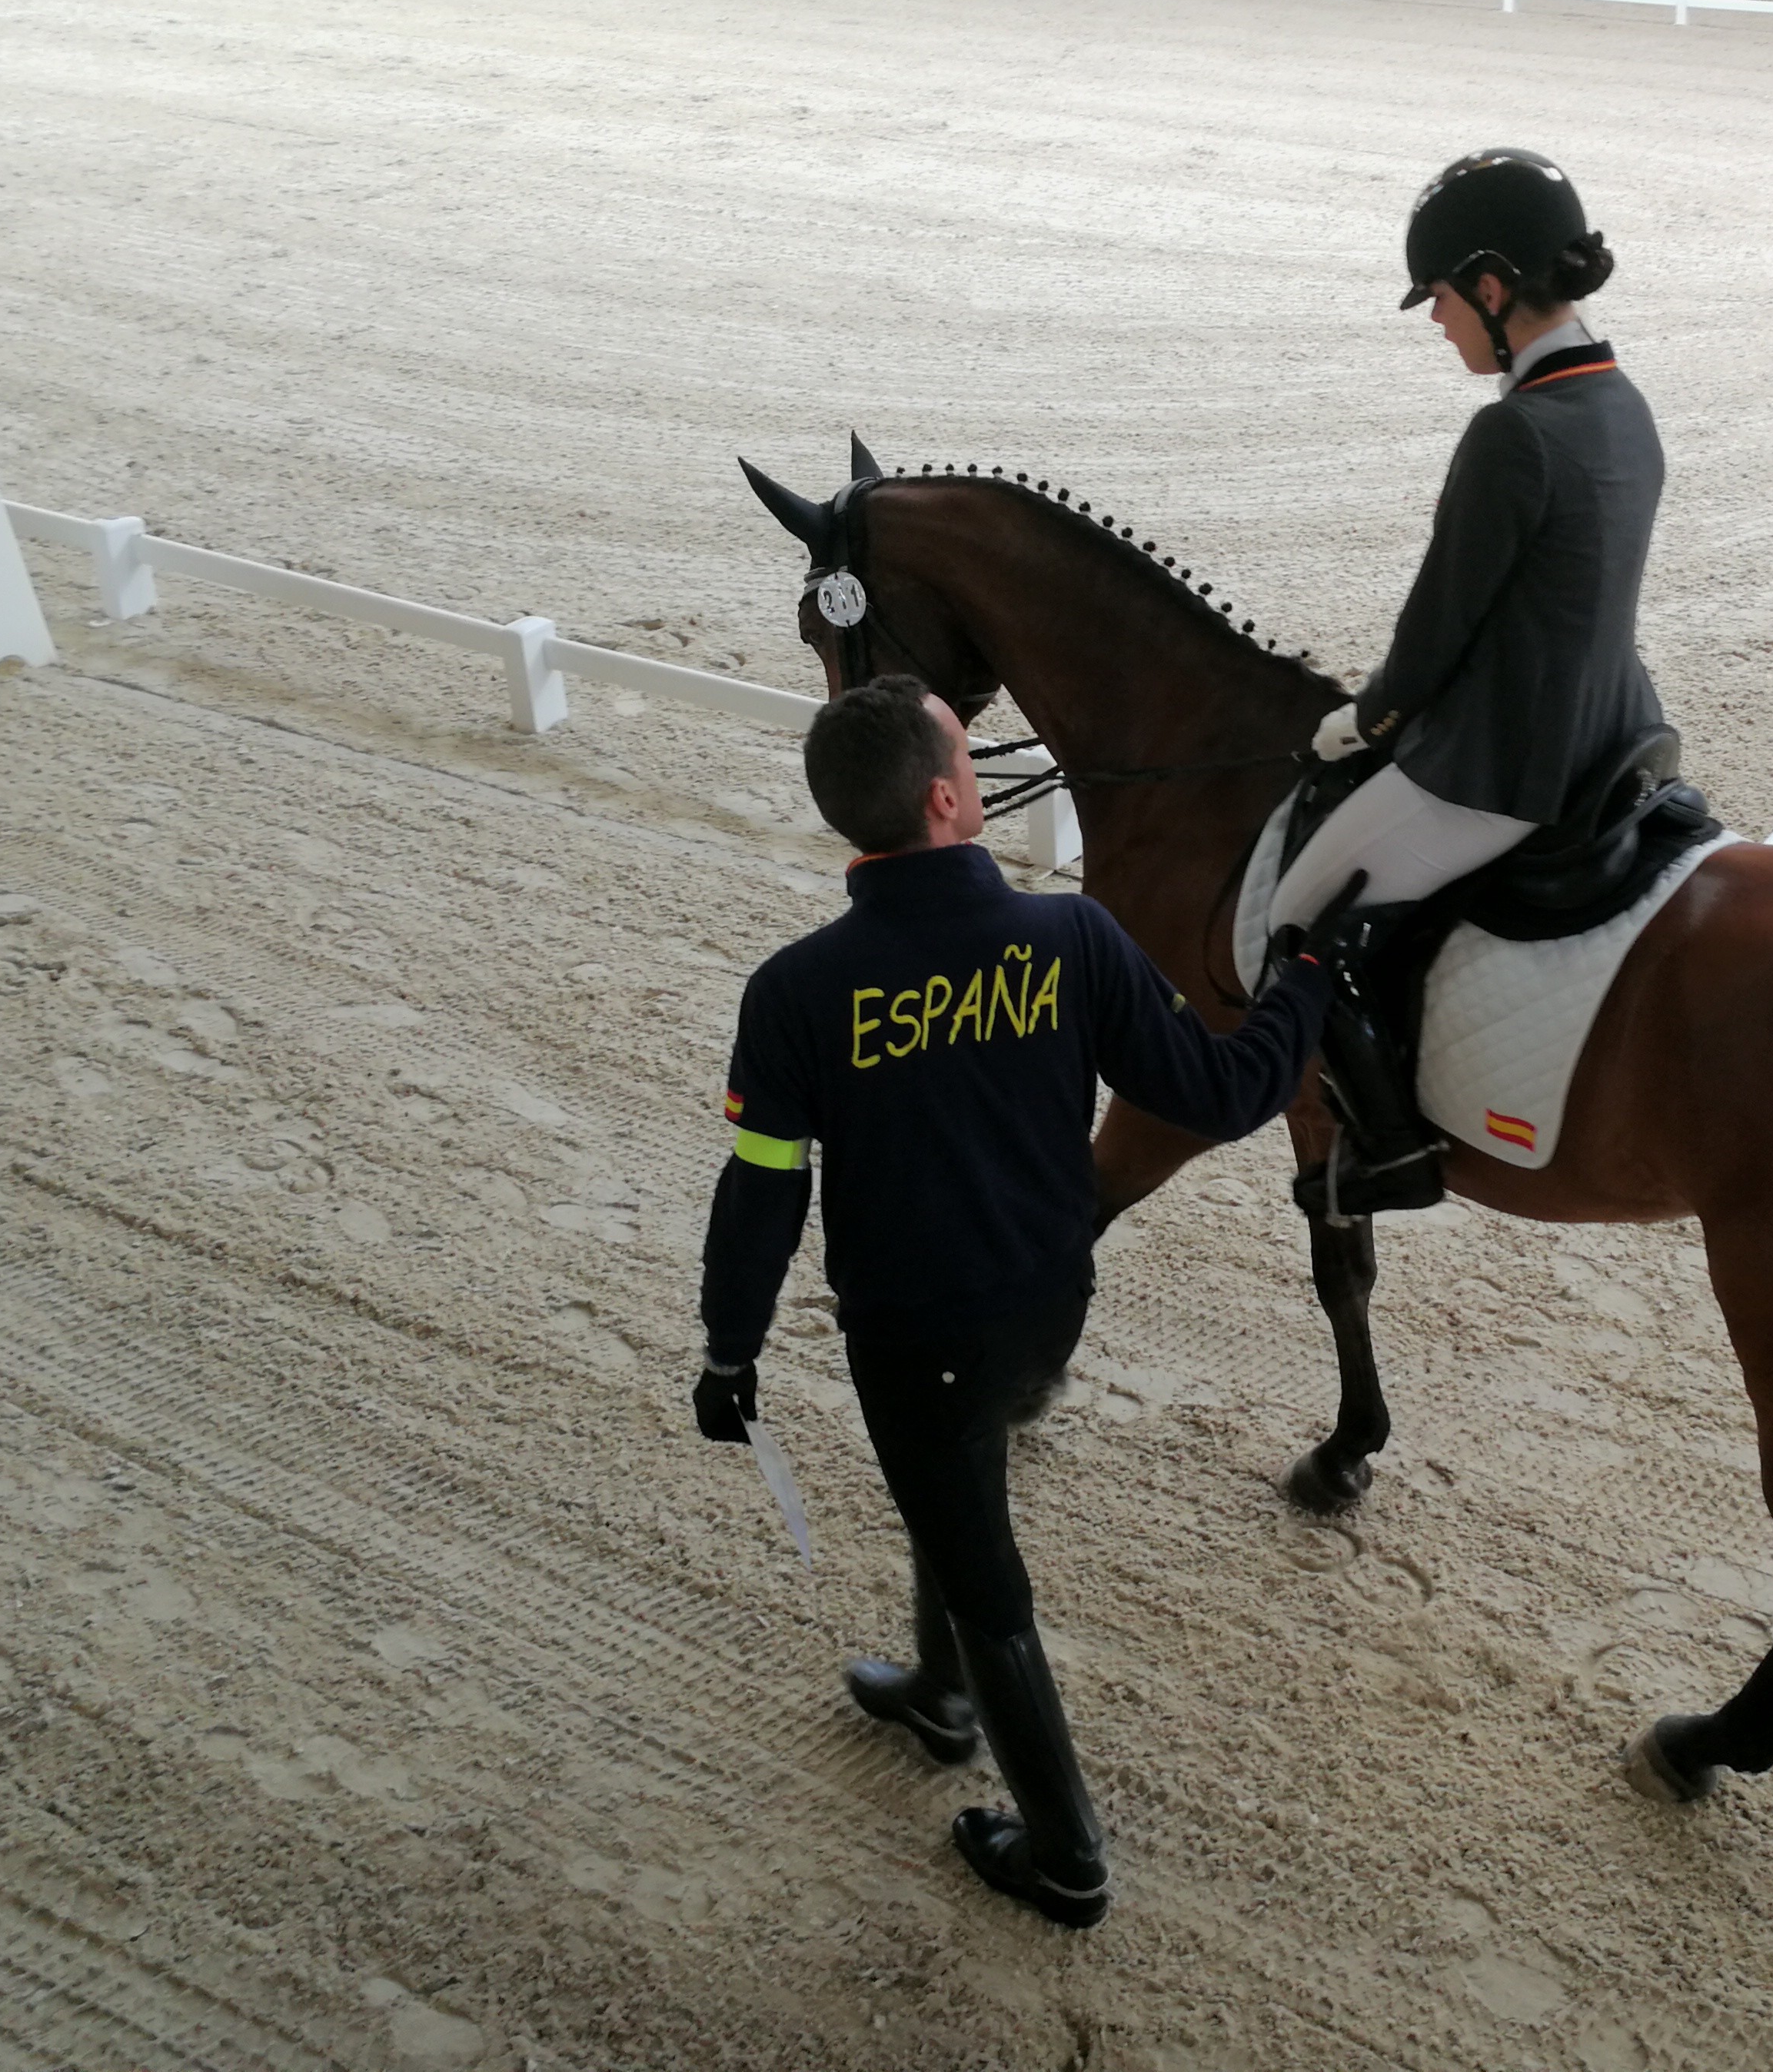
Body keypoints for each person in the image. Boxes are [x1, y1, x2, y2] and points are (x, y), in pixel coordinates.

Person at [692, 675, 1350, 1928]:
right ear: (949, 799)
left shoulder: (792, 994)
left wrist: (730, 1349)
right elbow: (1218, 1095)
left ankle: (1066, 1856)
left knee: (982, 1567)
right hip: (1049, 1304)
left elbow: (763, 1192)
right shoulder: (1072, 940)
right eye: (972, 757)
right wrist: (1303, 983)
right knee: (961, 1488)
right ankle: (942, 1702)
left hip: (912, 1337)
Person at [1266, 148, 1667, 1218]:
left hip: (1503, 764)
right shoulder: (1623, 402)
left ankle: (1390, 1148)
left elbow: (1437, 631)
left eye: (1440, 298)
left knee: (1294, 921)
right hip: (1617, 729)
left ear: (1491, 288)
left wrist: (1365, 719)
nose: (1436, 320)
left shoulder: (1514, 432)